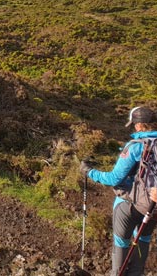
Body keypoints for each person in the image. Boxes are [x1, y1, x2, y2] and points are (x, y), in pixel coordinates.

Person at [81, 106, 157, 276]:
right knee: (143, 239)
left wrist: (89, 171)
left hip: (130, 206)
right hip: (154, 206)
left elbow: (114, 179)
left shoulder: (136, 146)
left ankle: (118, 273)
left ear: (138, 125)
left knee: (121, 242)